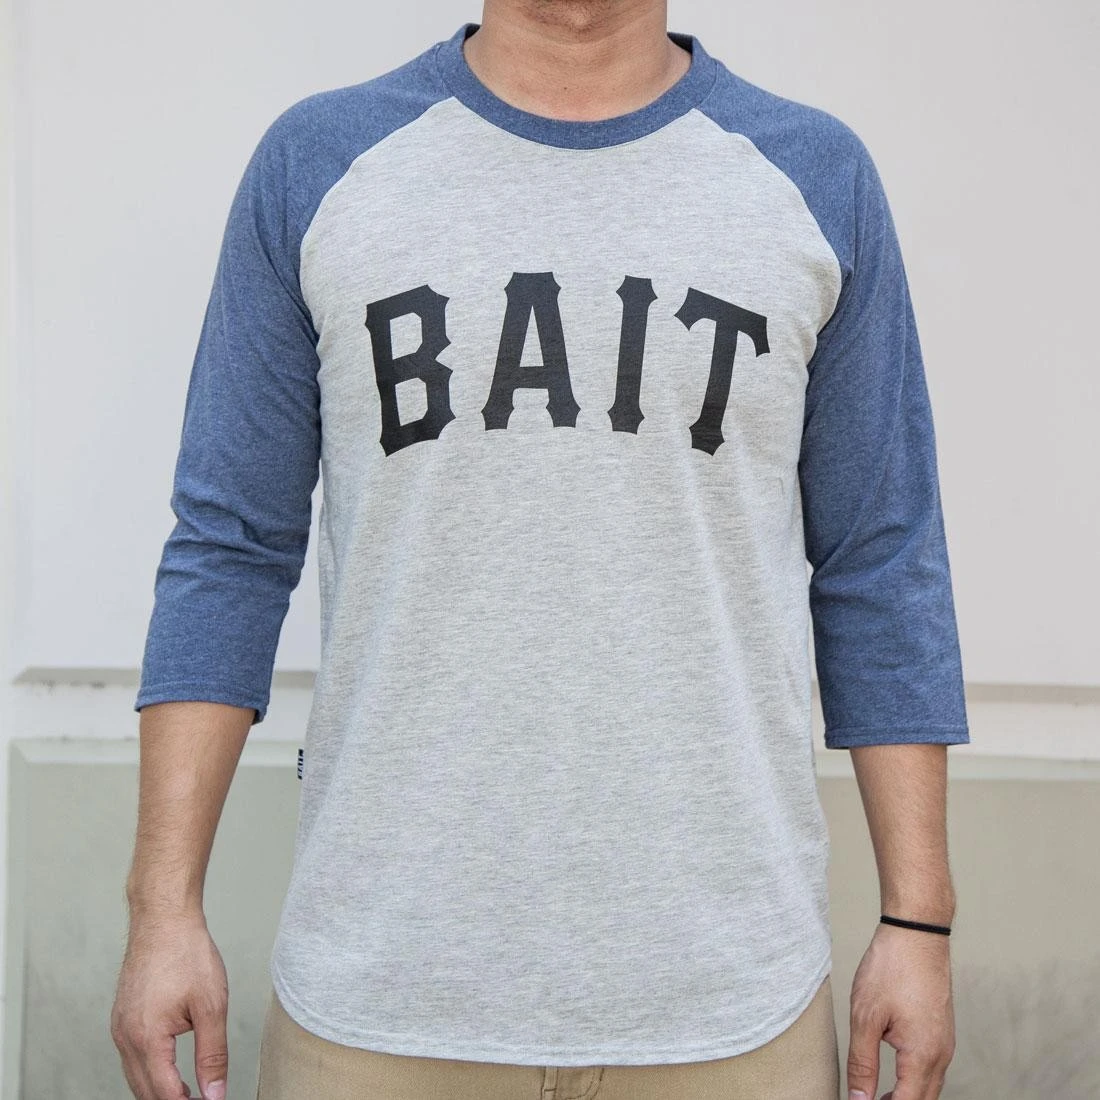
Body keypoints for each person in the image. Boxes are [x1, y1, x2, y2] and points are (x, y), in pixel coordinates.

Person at [110, 2, 970, 1098]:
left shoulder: (814, 176)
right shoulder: (317, 164)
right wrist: (162, 910)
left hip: (727, 1003)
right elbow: (230, 545)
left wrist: (917, 919)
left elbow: (881, 559)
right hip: (378, 1000)